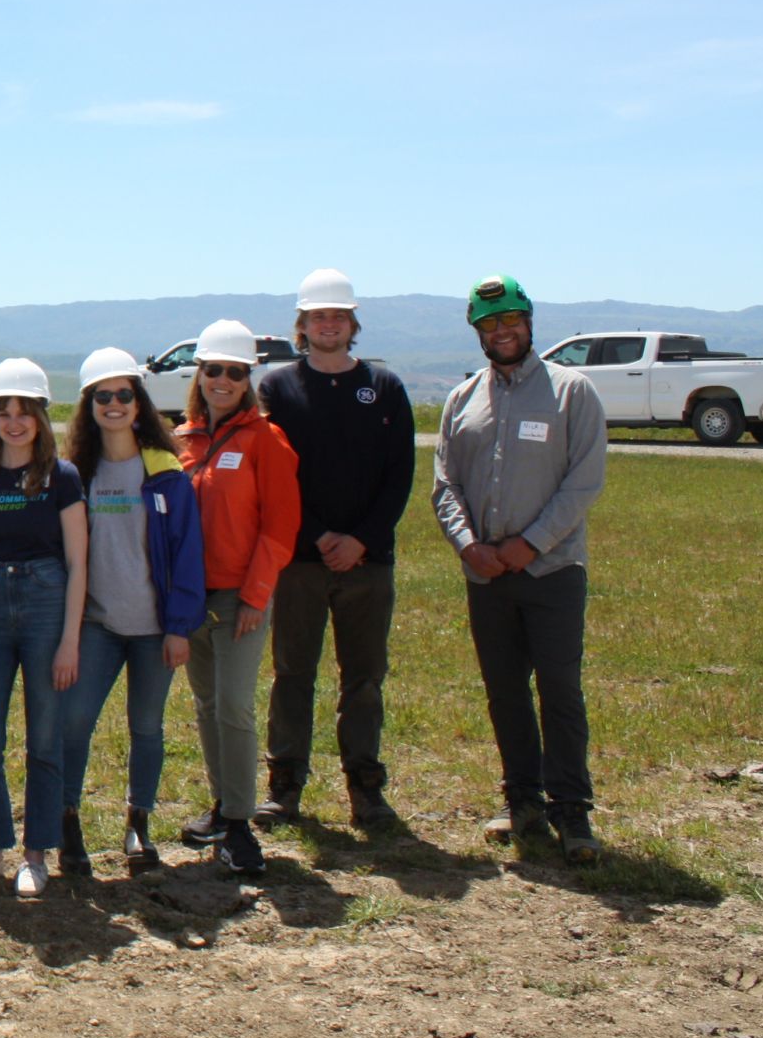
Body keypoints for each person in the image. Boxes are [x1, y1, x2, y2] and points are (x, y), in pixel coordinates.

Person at [431, 275, 607, 864]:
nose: (501, 331)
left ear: (529, 322)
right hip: (487, 575)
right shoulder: (463, 399)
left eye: (510, 320)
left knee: (559, 690)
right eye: (489, 323)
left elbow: (583, 482)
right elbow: (445, 484)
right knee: (504, 691)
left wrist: (529, 545)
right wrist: (468, 545)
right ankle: (522, 800)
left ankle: (572, 810)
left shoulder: (571, 392)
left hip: (552, 570)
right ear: (477, 331)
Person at [254, 268, 416, 830]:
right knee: (292, 674)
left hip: (369, 563)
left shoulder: (385, 387)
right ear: (302, 325)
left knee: (364, 678)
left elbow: (400, 476)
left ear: (353, 324)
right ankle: (284, 787)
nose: (329, 324)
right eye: (318, 316)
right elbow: (275, 479)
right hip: (300, 561)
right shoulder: (278, 388)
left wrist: (361, 540)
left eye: (338, 316)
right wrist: (318, 536)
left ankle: (366, 788)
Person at [57, 347, 204, 874]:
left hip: (153, 631)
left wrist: (179, 628)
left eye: (124, 394)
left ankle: (137, 824)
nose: (114, 403)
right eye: (103, 396)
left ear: (138, 403)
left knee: (146, 726)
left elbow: (188, 554)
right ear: (89, 405)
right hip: (97, 625)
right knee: (74, 722)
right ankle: (67, 821)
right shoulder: (77, 473)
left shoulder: (166, 473)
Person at [0, 357, 83, 898]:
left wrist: (70, 639)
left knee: (44, 739)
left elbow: (79, 563)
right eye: (3, 412)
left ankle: (36, 855)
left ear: (41, 417)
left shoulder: (62, 477)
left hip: (49, 600)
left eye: (23, 411)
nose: (13, 422)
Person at [172, 320, 299, 877]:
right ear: (199, 375)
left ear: (248, 379)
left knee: (234, 705)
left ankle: (243, 828)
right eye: (213, 370)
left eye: (234, 372)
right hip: (191, 601)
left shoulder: (265, 441)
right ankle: (223, 806)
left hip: (239, 599)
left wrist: (257, 595)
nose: (222, 380)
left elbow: (280, 525)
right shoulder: (184, 441)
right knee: (206, 705)